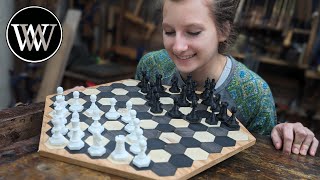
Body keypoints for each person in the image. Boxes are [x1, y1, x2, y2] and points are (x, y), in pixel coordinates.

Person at [135, 0, 318, 156]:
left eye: (193, 32)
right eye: (169, 31)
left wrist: (285, 135)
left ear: (223, 31)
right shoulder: (151, 67)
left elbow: (263, 161)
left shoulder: (254, 95)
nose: (178, 47)